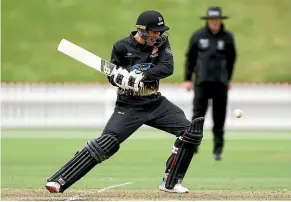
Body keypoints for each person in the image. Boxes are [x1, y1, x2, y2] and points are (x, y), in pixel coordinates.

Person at [45, 10, 205, 194]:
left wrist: (142, 75)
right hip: (129, 106)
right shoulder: (121, 47)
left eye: (160, 31)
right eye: (155, 31)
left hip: (155, 102)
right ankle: (59, 180)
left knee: (190, 133)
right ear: (143, 31)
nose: (158, 35)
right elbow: (111, 76)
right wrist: (120, 79)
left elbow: (167, 67)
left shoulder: (161, 43)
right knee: (106, 144)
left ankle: (170, 183)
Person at [184, 7, 237, 161]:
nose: (214, 22)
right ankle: (193, 146)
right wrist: (188, 79)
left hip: (220, 83)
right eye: (211, 20)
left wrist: (228, 78)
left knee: (219, 117)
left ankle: (218, 150)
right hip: (202, 82)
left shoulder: (227, 37)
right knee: (197, 116)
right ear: (208, 20)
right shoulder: (198, 36)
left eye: (216, 19)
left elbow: (232, 59)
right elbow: (190, 58)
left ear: (220, 20)